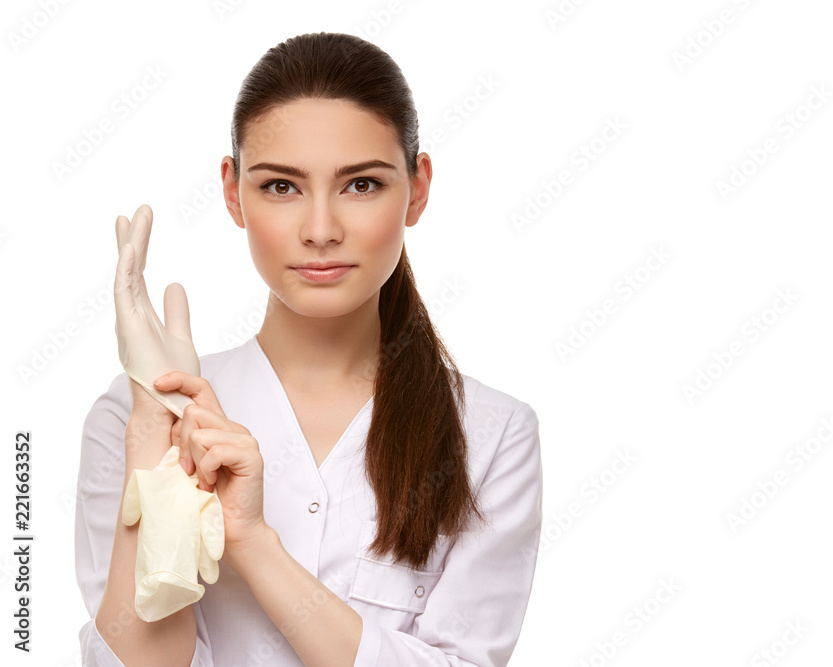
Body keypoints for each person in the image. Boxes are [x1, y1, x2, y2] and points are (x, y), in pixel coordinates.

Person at [75, 31, 543, 666]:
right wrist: (156, 448)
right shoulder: (133, 418)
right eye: (281, 187)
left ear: (418, 188)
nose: (321, 231)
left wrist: (253, 543)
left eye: (362, 185)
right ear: (233, 193)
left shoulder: (491, 434)